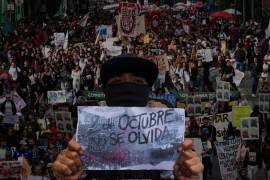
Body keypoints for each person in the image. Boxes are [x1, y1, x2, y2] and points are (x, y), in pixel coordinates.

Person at [52, 55, 204, 179]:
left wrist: (183, 175)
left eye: (138, 82)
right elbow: (79, 171)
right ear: (105, 91)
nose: (128, 87)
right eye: (117, 82)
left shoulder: (164, 131)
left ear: (147, 90)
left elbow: (171, 174)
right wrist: (68, 172)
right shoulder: (88, 133)